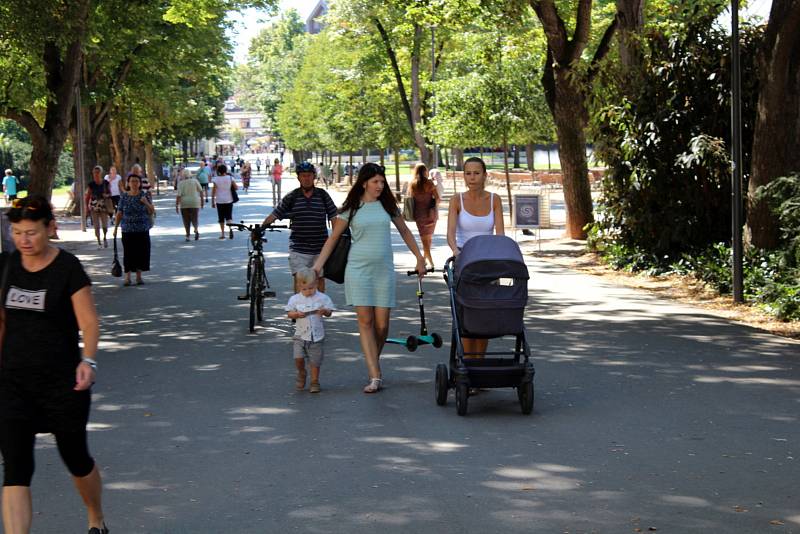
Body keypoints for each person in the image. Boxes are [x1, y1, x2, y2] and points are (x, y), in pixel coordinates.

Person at [0, 196, 109, 534]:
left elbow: (89, 322)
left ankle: (96, 517)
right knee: (16, 467)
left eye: (31, 232)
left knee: (75, 458)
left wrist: (87, 361)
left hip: (62, 382)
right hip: (13, 383)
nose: (24, 240)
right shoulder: (6, 266)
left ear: (50, 228)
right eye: (17, 232)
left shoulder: (68, 268)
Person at [313, 163, 426, 394]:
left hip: (383, 270)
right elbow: (334, 238)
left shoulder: (387, 205)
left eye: (382, 182)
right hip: (358, 269)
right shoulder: (352, 207)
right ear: (364, 182)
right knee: (365, 322)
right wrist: (317, 266)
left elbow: (405, 231)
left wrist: (420, 258)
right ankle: (375, 374)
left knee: (382, 325)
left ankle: (373, 359)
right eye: (375, 182)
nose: (380, 186)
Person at [446, 156, 504, 360]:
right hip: (465, 260)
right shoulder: (456, 200)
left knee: (485, 315)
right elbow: (450, 235)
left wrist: (500, 258)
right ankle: (468, 363)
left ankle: (479, 362)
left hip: (487, 262)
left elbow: (500, 234)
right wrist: (456, 252)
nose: (472, 177)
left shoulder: (494, 200)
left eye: (476, 173)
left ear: (485, 175)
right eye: (468, 173)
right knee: (467, 314)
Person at [260, 162, 338, 293]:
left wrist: (336, 238)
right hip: (298, 248)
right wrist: (261, 228)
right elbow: (275, 214)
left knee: (319, 279)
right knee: (300, 280)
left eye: (309, 175)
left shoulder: (322, 195)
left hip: (321, 248)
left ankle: (318, 311)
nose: (306, 178)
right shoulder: (292, 196)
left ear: (314, 176)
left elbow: (334, 218)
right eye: (303, 175)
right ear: (298, 178)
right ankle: (299, 310)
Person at [286, 268, 334, 394]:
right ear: (298, 286)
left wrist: (324, 311)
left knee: (315, 361)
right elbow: (289, 313)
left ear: (316, 284)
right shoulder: (295, 299)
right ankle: (302, 372)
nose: (308, 291)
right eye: (304, 289)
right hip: (300, 335)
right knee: (298, 357)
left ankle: (314, 381)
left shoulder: (322, 298)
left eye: (311, 288)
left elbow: (329, 312)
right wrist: (296, 314)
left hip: (316, 336)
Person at [113, 174, 154, 286]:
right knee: (128, 253)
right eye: (132, 181)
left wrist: (145, 202)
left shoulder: (144, 195)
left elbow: (151, 211)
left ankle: (139, 277)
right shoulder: (124, 197)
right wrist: (116, 227)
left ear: (140, 183)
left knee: (141, 253)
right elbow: (119, 213)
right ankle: (127, 277)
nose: (134, 183)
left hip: (142, 228)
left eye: (136, 181)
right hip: (127, 229)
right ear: (128, 183)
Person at [406, 163, 440, 270]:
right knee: (428, 238)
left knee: (424, 238)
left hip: (419, 214)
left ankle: (426, 259)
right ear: (425, 171)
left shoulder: (412, 184)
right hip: (431, 213)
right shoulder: (429, 183)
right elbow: (437, 198)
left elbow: (410, 198)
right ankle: (428, 260)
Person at [85, 166, 112, 249]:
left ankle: (104, 237)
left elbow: (110, 194)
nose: (96, 174)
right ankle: (99, 241)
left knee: (104, 225)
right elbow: (87, 196)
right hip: (94, 207)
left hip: (104, 206)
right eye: (94, 172)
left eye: (97, 172)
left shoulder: (106, 183)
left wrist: (106, 195)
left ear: (101, 173)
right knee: (96, 226)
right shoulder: (91, 184)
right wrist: (87, 207)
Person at [175, 168, 204, 241]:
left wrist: (176, 205)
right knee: (195, 218)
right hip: (194, 202)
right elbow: (201, 191)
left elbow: (178, 195)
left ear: (183, 175)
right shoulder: (195, 181)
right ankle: (196, 229)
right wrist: (202, 201)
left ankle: (188, 236)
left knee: (186, 220)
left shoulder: (181, 183)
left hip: (184, 203)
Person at [211, 164, 237, 240]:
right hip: (229, 199)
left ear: (218, 171)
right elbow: (236, 187)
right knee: (229, 216)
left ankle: (222, 234)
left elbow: (214, 191)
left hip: (219, 200)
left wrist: (212, 201)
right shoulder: (230, 178)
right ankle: (230, 229)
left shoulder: (216, 179)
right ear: (225, 170)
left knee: (221, 217)